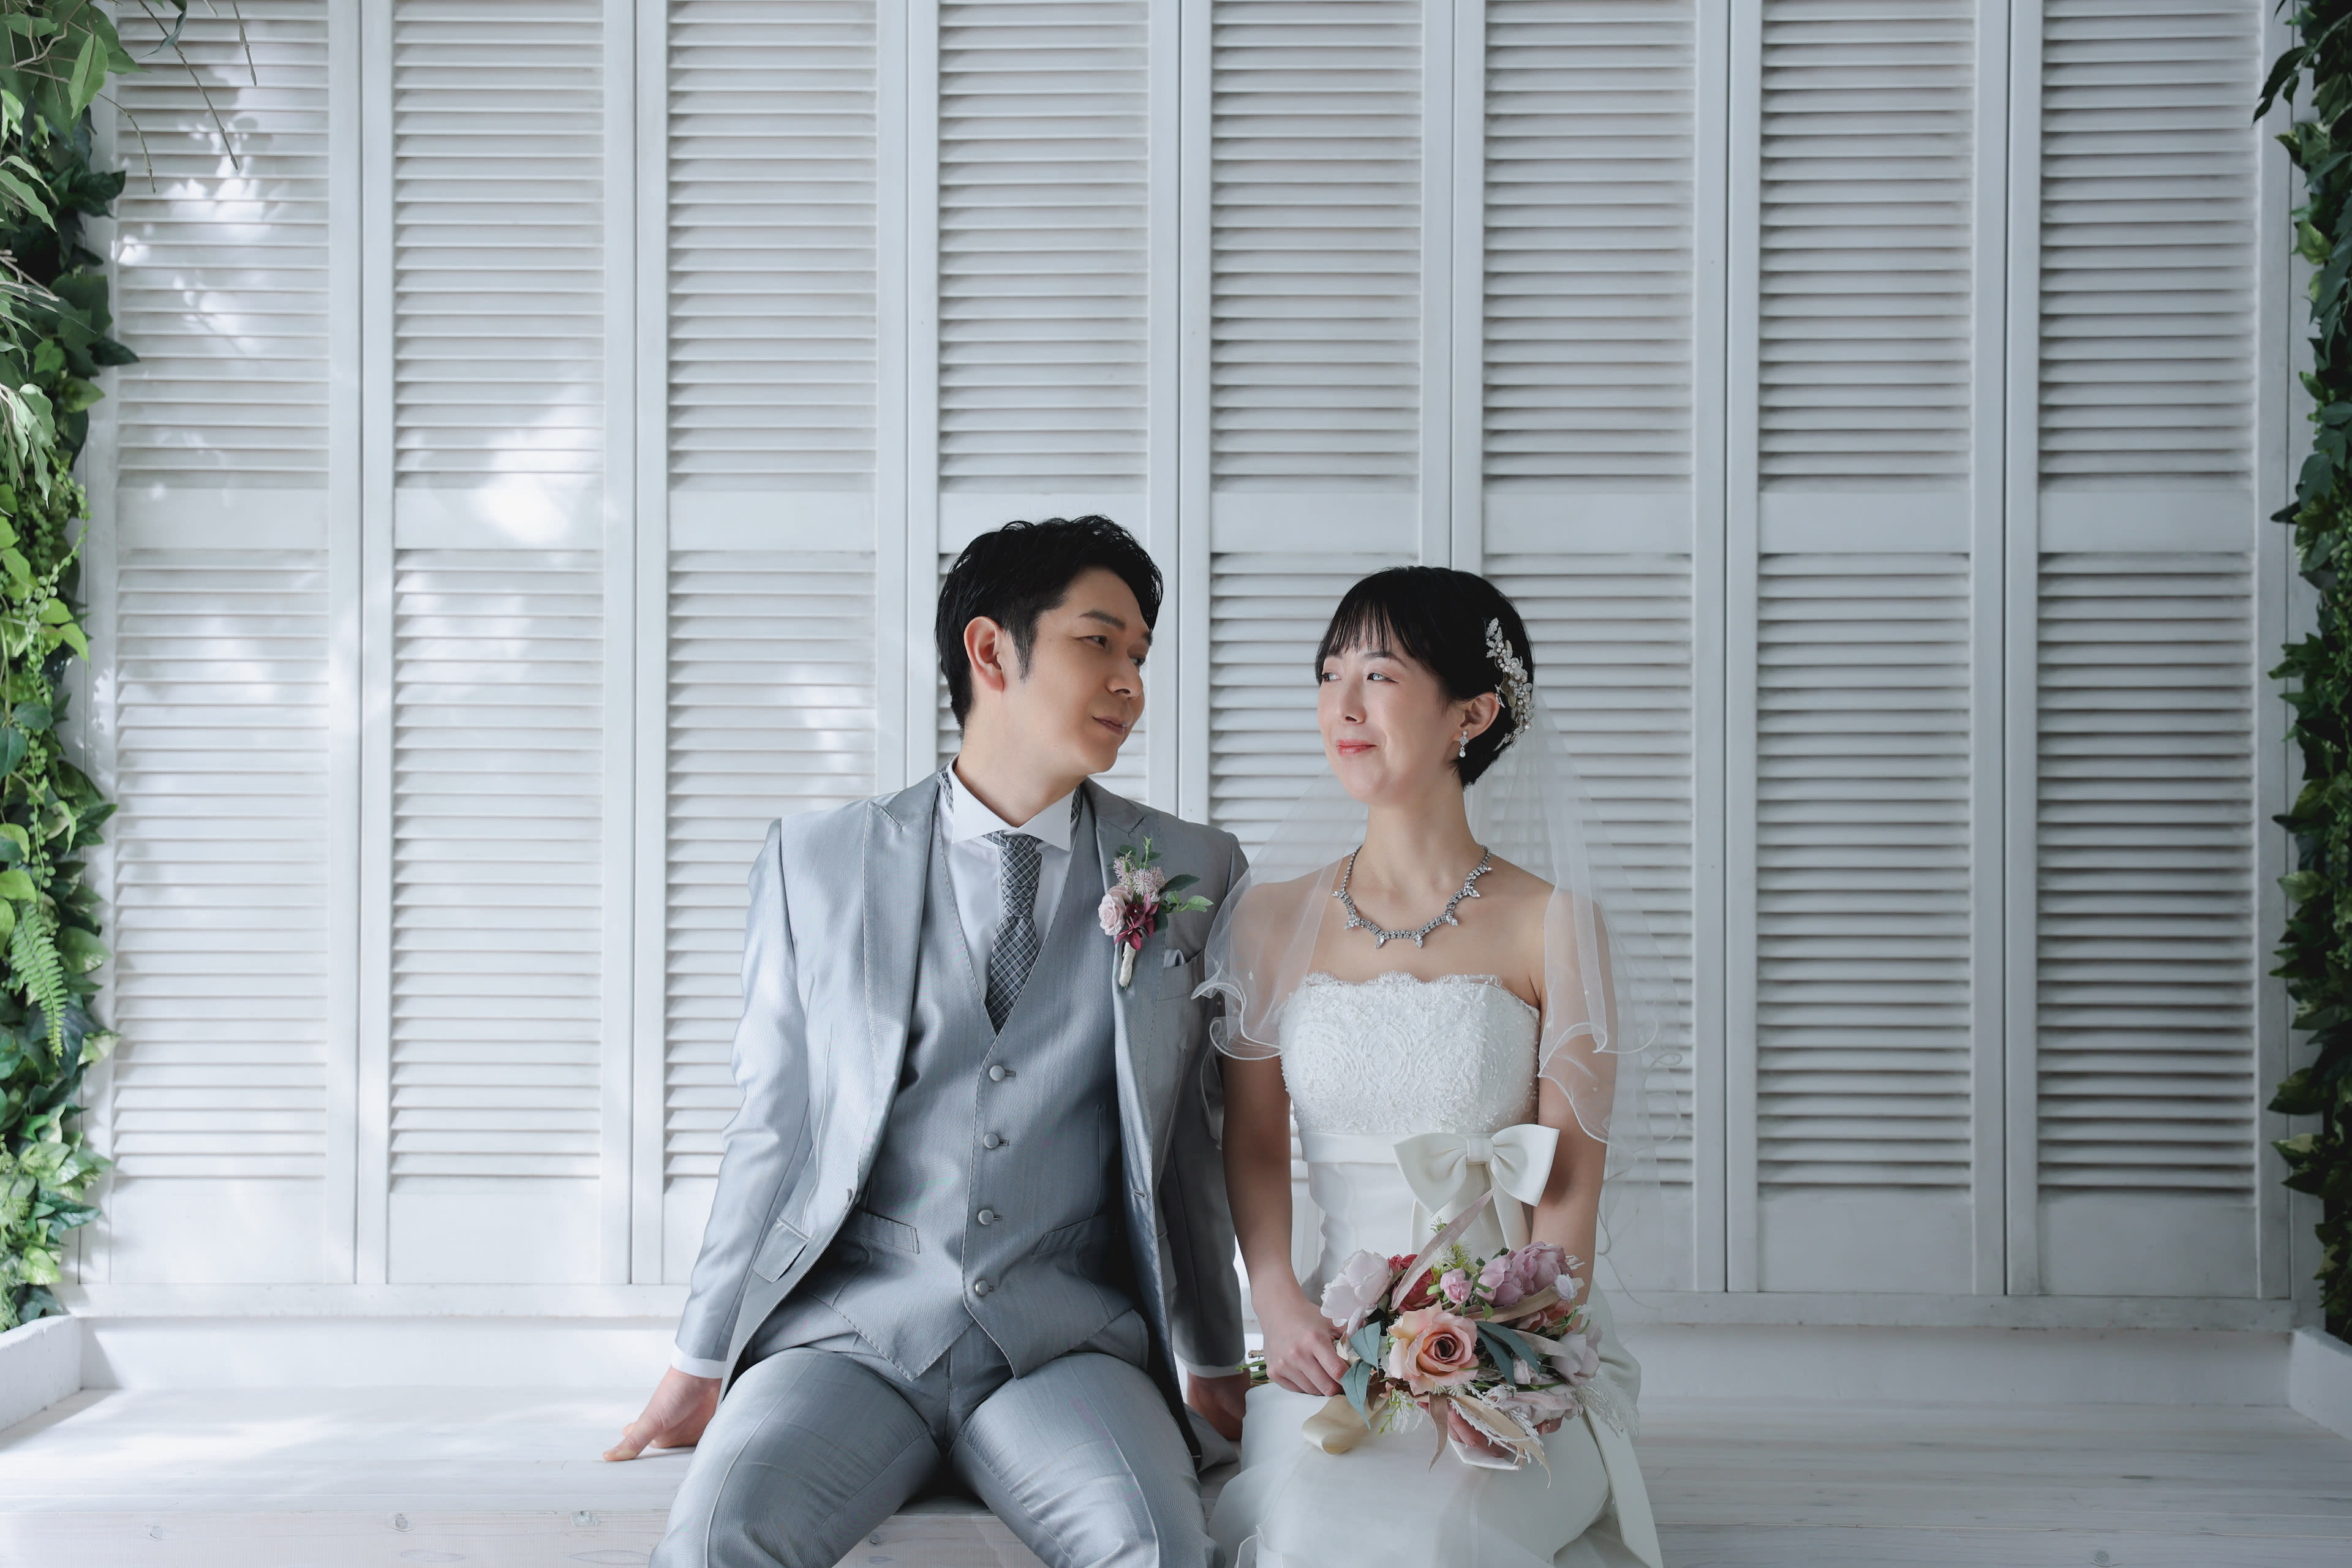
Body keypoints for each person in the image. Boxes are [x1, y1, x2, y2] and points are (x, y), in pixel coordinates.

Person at [608, 516, 1251, 1568]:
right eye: (1100, 642)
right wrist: (699, 1356)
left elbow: (1189, 1144)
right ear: (991, 649)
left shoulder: (1191, 869)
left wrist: (1215, 1359)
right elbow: (773, 1128)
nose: (1131, 683)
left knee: (1155, 1548)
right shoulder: (815, 861)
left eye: (1140, 655)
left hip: (1068, 1347)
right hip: (850, 1340)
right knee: (722, 1538)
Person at [1202, 567, 1671, 1568]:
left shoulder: (1556, 927)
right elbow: (1254, 1143)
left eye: (1378, 675)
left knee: (1444, 1541)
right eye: (1329, 675)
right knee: (1311, 1535)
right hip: (1332, 1345)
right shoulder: (1271, 919)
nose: (1344, 705)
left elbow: (1568, 1188)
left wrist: (1525, 1353)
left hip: (1517, 1341)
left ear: (1473, 713)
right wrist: (1278, 1302)